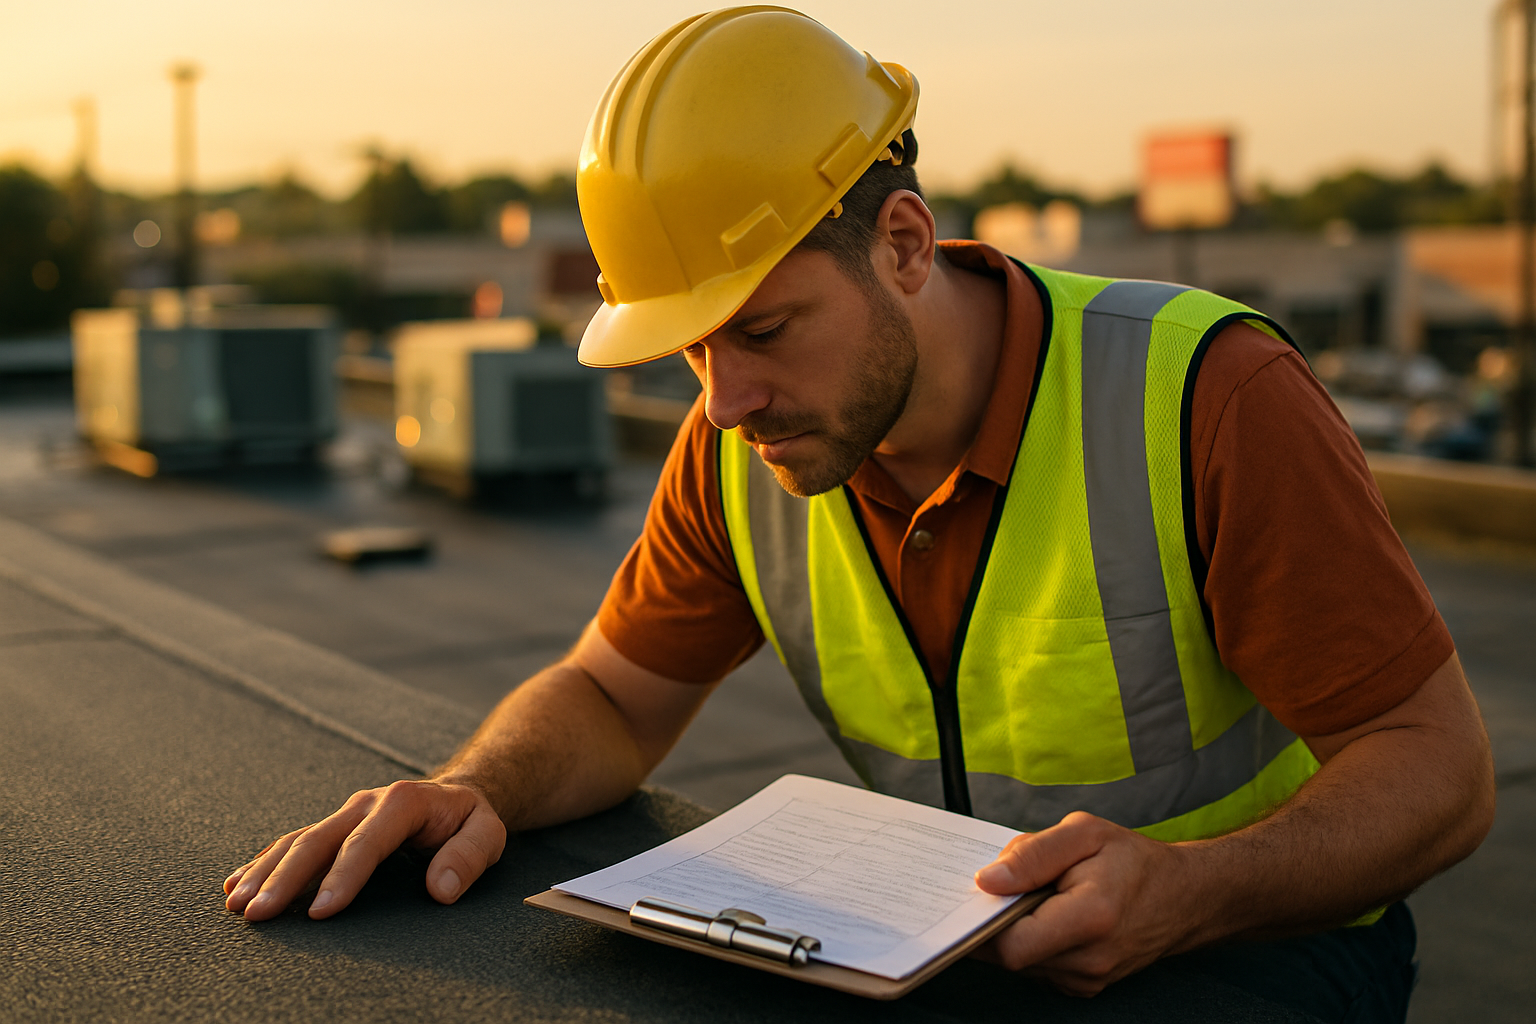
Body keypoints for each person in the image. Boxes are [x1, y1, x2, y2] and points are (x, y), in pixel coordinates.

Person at [224, 8, 1494, 1018]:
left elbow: (1439, 771)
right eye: (691, 351)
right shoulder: (737, 444)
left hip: (1248, 953)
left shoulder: (1204, 395)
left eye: (765, 330)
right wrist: (475, 784)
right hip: (947, 953)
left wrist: (1193, 891)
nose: (725, 401)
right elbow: (612, 698)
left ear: (901, 244)